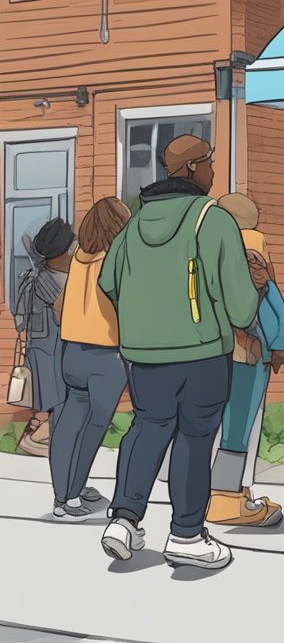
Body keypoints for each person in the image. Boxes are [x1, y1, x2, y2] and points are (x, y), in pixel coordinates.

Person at [97, 134, 266, 570]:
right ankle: (186, 535)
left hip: (143, 353)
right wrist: (258, 288)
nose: (212, 169)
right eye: (208, 161)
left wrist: (144, 318)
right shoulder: (213, 219)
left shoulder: (135, 222)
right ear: (191, 168)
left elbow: (108, 282)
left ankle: (124, 518)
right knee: (194, 437)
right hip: (202, 352)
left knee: (148, 427)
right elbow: (241, 306)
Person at [205, 193, 284, 528]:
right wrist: (281, 341)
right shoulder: (253, 243)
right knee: (240, 427)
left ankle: (233, 492)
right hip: (248, 350)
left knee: (218, 423)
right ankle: (227, 499)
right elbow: (269, 297)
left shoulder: (209, 241)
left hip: (214, 347)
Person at [49, 200, 129, 521]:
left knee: (69, 423)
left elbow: (58, 306)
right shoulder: (117, 259)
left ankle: (62, 493)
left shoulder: (79, 259)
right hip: (106, 354)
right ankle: (72, 497)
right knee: (94, 427)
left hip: (73, 352)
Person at [12, 218, 76, 458]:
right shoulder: (48, 278)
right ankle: (35, 439)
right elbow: (63, 314)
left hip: (43, 346)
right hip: (49, 348)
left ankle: (36, 434)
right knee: (57, 397)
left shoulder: (43, 274)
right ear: (61, 251)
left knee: (47, 397)